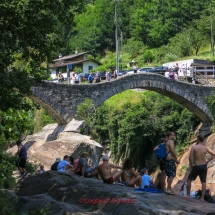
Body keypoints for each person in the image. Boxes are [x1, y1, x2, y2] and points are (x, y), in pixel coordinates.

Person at [185, 134, 215, 201]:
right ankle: (202, 198)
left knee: (189, 179)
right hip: (204, 166)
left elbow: (190, 157)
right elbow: (214, 154)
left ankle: (187, 195)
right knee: (203, 182)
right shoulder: (205, 148)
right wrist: (208, 161)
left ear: (198, 139)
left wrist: (191, 164)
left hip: (197, 166)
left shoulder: (194, 147)